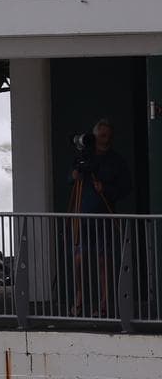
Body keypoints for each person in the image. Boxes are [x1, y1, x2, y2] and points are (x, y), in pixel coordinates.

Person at [69, 118, 131, 317]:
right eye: (102, 136)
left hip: (104, 215)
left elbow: (126, 188)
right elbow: (70, 178)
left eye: (108, 136)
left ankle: (104, 303)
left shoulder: (116, 160)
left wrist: (106, 189)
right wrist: (74, 175)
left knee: (104, 260)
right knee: (79, 258)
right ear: (94, 136)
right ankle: (79, 297)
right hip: (82, 215)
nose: (105, 139)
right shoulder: (84, 157)